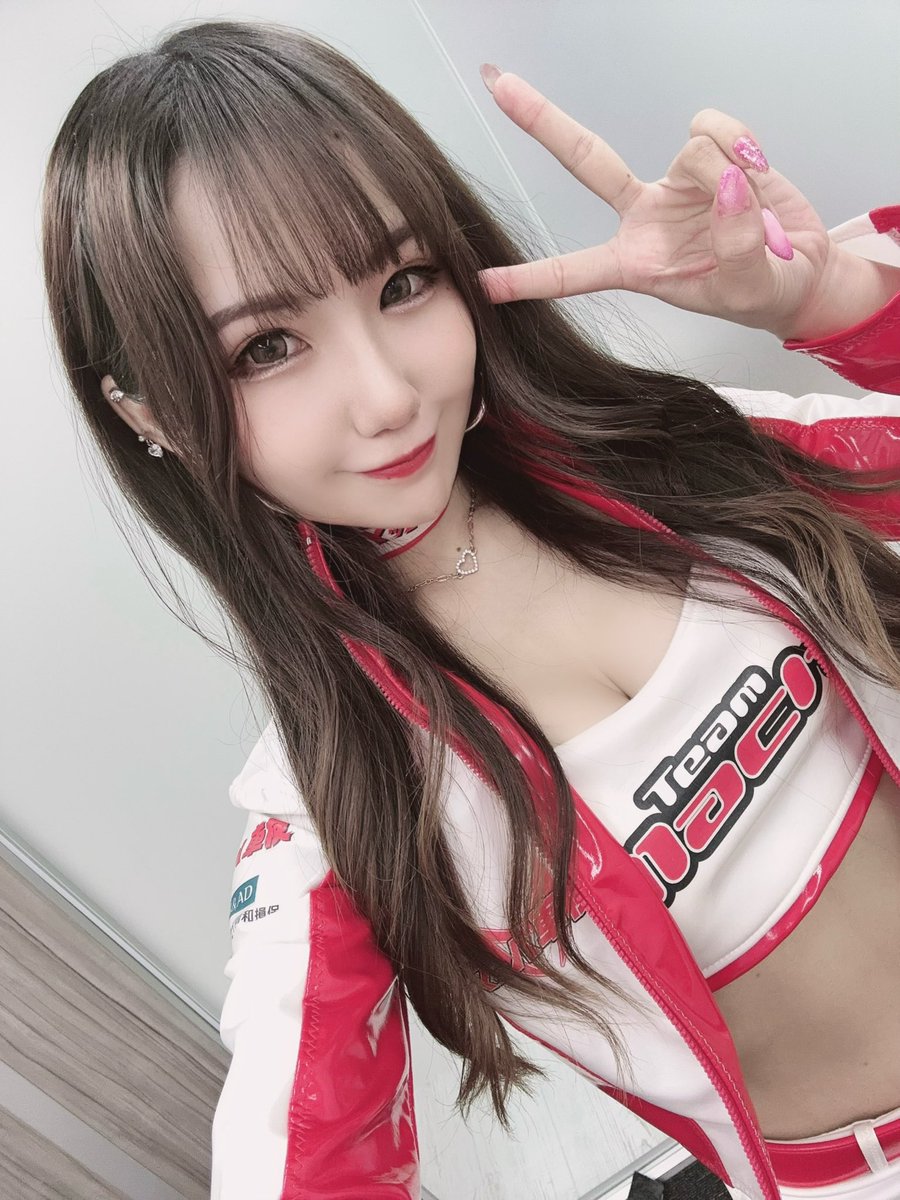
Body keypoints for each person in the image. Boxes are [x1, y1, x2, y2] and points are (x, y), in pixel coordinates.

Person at [39, 18, 900, 1200]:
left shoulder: (679, 459)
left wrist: (839, 300)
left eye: (403, 284)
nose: (387, 395)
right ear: (151, 415)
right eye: (267, 348)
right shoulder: (340, 803)